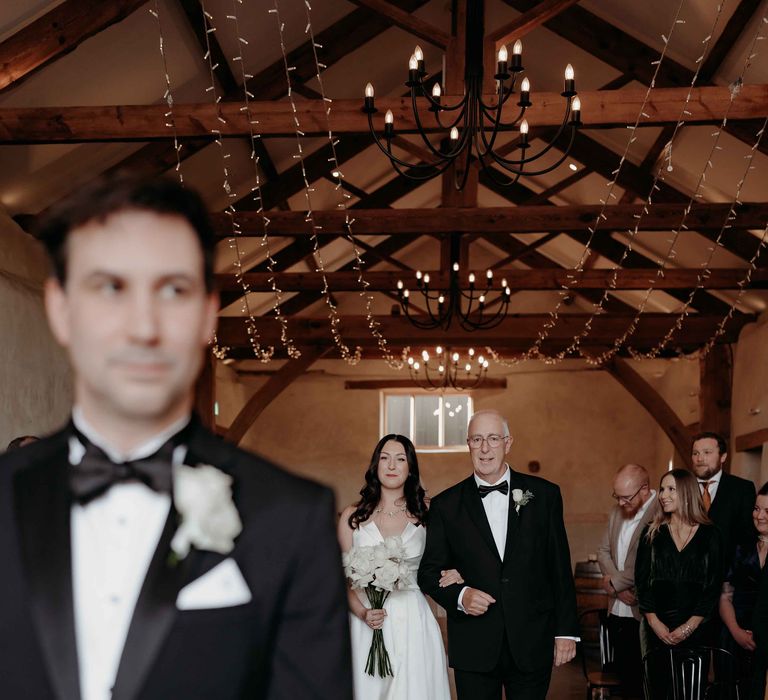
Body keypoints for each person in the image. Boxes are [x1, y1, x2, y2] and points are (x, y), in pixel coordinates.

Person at [0, 172, 352, 700]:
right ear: (61, 309)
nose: (144, 326)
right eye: (110, 287)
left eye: (173, 289)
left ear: (209, 314)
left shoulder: (292, 518)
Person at [417, 409, 579, 700]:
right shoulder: (445, 505)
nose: (485, 448)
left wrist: (565, 631)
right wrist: (461, 596)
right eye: (477, 439)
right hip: (474, 643)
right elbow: (428, 573)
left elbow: (558, 567)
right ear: (468, 444)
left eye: (493, 438)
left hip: (532, 640)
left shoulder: (544, 496)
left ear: (508, 443)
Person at [338, 434, 453, 700]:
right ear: (375, 465)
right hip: (365, 622)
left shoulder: (428, 515)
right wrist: (363, 613)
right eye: (384, 458)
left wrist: (456, 571)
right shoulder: (352, 517)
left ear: (410, 468)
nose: (391, 466)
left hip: (413, 621)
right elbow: (338, 580)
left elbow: (448, 561)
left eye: (400, 459)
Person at [635, 468, 723, 699]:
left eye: (671, 489)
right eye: (662, 489)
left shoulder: (711, 535)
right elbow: (641, 584)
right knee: (657, 691)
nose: (663, 495)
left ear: (686, 492)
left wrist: (689, 627)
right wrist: (656, 624)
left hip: (697, 629)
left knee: (689, 692)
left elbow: (713, 586)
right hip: (656, 630)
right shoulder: (651, 533)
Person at [597, 463, 657, 698]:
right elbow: (603, 551)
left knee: (645, 682)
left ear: (644, 489)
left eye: (626, 498)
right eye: (617, 496)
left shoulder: (661, 512)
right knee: (625, 678)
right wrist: (616, 588)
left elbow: (645, 562)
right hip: (617, 609)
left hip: (642, 611)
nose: (621, 503)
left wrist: (613, 584)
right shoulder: (616, 511)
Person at [720, 483, 768, 694]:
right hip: (733, 636)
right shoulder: (741, 547)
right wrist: (737, 632)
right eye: (756, 509)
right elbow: (724, 597)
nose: (759, 516)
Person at [691, 431, 756, 571]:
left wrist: (731, 580)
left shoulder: (742, 489)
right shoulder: (680, 489)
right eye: (695, 453)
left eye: (707, 452)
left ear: (723, 457)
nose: (700, 458)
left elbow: (746, 539)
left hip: (725, 578)